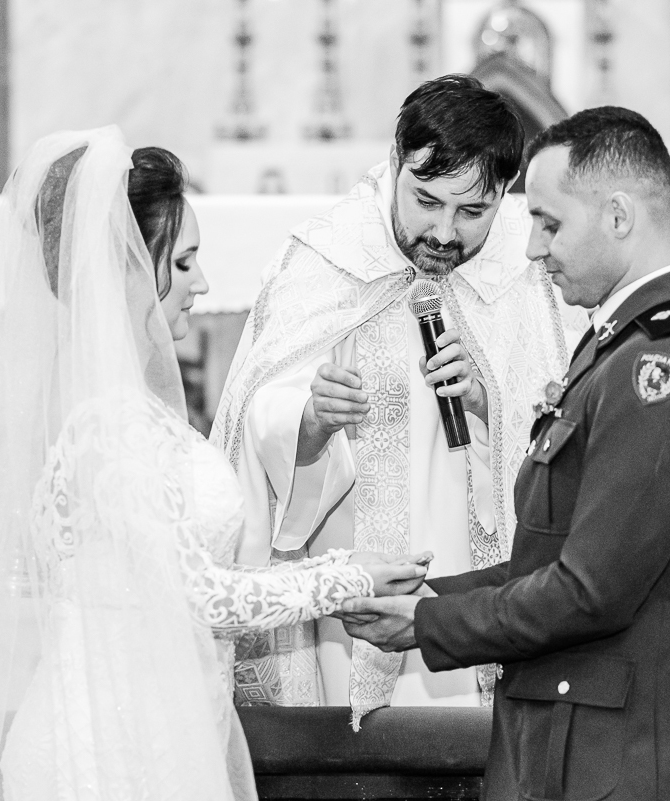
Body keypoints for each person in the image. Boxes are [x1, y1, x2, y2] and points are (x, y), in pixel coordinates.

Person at [0, 127, 430, 801]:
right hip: (109, 754)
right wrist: (345, 576)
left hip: (143, 730)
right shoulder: (110, 423)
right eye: (183, 262)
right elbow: (200, 594)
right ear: (122, 266)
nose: (202, 282)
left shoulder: (102, 403)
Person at [340, 107, 670, 800]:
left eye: (550, 222)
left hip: (628, 759)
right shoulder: (619, 342)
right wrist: (424, 595)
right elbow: (554, 557)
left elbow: (591, 591)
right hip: (582, 733)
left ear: (619, 216)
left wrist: (426, 623)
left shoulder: (664, 363)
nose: (532, 247)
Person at [211, 75, 579, 723]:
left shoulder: (526, 267)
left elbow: (566, 419)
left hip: (474, 579)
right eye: (426, 200)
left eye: (473, 213)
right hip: (346, 573)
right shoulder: (330, 256)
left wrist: (490, 402)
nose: (443, 232)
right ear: (393, 165)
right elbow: (253, 414)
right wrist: (313, 419)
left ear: (506, 194)